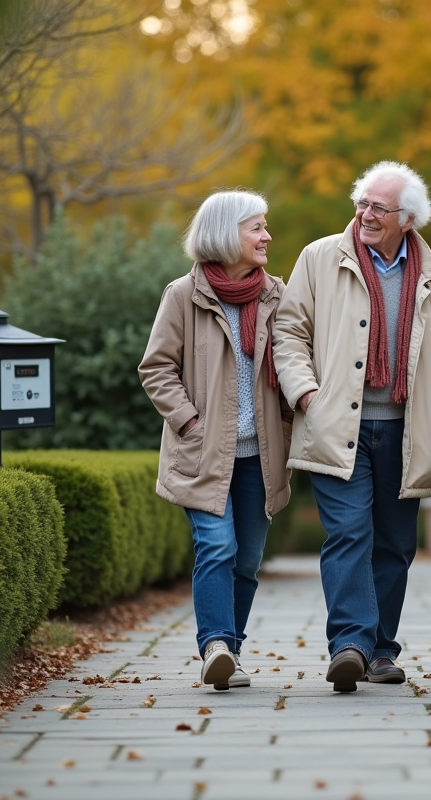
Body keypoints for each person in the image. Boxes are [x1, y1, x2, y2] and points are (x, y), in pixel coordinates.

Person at [274, 161, 431, 692]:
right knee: (349, 533)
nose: (365, 215)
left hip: (406, 430)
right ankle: (350, 645)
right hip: (337, 425)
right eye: (361, 203)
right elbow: (288, 332)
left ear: (408, 218)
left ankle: (381, 650)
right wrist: (306, 393)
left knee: (396, 544)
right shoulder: (320, 258)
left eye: (378, 208)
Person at [139, 190, 291, 691]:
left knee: (246, 559)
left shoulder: (276, 294)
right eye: (257, 228)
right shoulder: (183, 295)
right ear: (227, 234)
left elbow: (294, 360)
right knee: (217, 545)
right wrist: (190, 422)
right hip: (203, 451)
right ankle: (216, 646)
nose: (267, 237)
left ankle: (232, 652)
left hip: (260, 456)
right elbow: (156, 368)